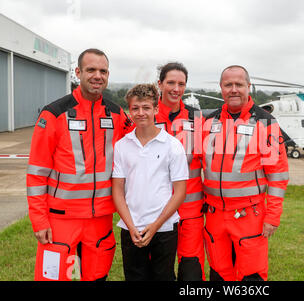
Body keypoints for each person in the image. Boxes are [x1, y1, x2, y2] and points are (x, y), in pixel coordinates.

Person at [26, 48, 134, 281]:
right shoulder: (54, 113)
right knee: (54, 278)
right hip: (61, 219)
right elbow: (36, 172)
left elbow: (141, 142)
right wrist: (39, 219)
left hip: (101, 220)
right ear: (78, 72)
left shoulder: (116, 114)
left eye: (103, 71)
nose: (98, 76)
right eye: (91, 70)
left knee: (96, 277)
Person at [201, 65, 289, 281]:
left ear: (248, 87)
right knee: (219, 274)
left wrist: (273, 216)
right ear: (220, 88)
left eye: (239, 84)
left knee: (251, 277)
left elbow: (277, 174)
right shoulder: (209, 122)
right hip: (214, 217)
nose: (233, 89)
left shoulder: (266, 122)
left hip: (249, 216)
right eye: (228, 84)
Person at [112, 83, 188, 281]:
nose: (140, 113)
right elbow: (118, 191)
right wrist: (130, 225)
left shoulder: (173, 146)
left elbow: (180, 192)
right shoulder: (122, 146)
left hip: (164, 228)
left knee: (163, 277)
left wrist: (155, 225)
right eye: (135, 108)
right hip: (131, 228)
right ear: (129, 111)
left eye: (146, 108)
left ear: (156, 109)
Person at [155, 62, 205, 281]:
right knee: (159, 270)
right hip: (156, 209)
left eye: (181, 84)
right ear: (160, 84)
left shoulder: (198, 119)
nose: (176, 89)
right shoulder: (146, 115)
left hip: (190, 210)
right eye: (171, 83)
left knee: (191, 270)